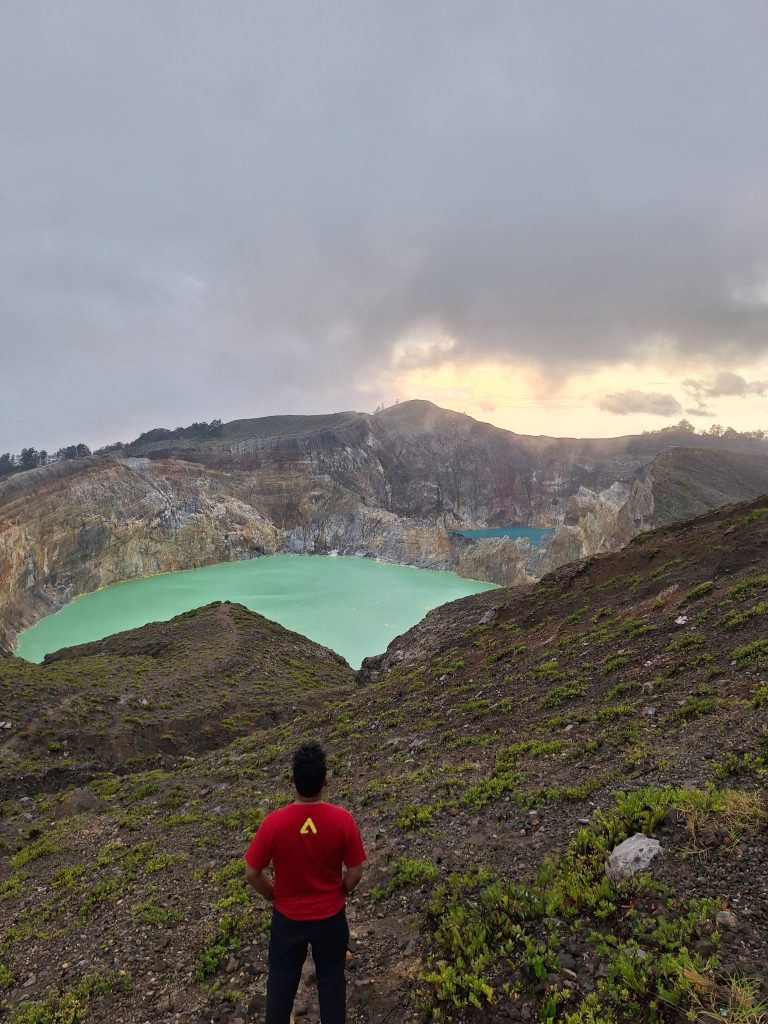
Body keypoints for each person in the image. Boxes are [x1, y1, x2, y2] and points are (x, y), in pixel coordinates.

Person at [244, 742, 366, 1024]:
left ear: (292, 780)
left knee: (280, 986)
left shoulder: (273, 823)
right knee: (332, 984)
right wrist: (342, 891)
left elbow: (252, 872)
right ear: (326, 781)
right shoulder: (343, 820)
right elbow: (356, 872)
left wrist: (271, 894)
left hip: (287, 920)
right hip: (331, 918)